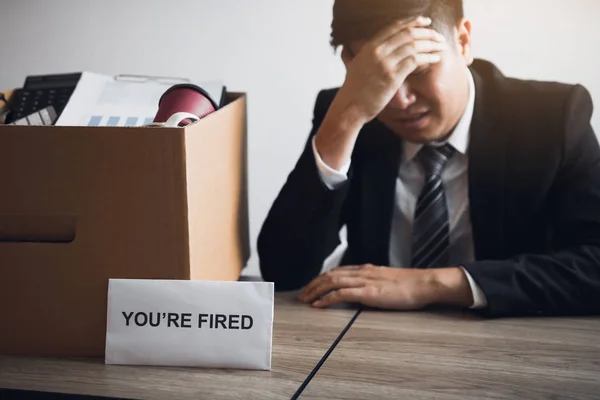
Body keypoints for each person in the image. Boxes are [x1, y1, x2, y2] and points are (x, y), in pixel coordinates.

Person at [257, 0, 600, 317]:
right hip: (368, 339)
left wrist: (433, 284)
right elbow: (283, 272)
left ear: (463, 42)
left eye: (418, 70)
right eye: (380, 76)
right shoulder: (351, 114)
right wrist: (346, 118)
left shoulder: (553, 118)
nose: (399, 100)